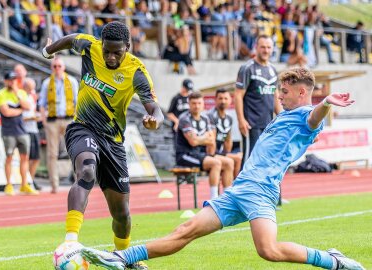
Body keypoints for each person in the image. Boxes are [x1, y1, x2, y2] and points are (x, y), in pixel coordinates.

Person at [80, 67, 365, 270]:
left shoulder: (306, 116)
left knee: (269, 250)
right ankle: (123, 258)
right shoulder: (286, 115)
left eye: (285, 91)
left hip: (260, 191)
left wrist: (325, 103)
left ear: (303, 92)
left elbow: (315, 118)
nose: (279, 95)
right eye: (280, 90)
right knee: (186, 229)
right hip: (239, 188)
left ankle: (333, 261)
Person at [41, 21, 164, 270]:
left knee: (122, 213)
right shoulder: (90, 46)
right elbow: (70, 38)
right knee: (86, 171)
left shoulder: (136, 71)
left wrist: (155, 120)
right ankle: (70, 242)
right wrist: (49, 51)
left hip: (113, 141)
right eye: (107, 50)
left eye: (117, 52)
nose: (110, 57)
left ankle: (123, 257)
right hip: (82, 128)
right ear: (101, 44)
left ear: (127, 47)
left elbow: (154, 108)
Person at [235, 34, 282, 170]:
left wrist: (280, 119)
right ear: (256, 47)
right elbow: (238, 96)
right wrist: (241, 120)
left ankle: (266, 192)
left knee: (267, 163)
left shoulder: (273, 70)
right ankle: (243, 191)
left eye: (268, 47)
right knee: (249, 163)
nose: (266, 50)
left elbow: (275, 96)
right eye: (262, 47)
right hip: (251, 124)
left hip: (268, 125)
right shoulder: (247, 68)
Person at [175, 92, 233, 199]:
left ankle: (228, 198)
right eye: (194, 103)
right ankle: (214, 200)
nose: (196, 106)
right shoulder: (184, 118)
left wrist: (200, 139)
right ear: (189, 104)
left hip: (200, 153)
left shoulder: (206, 118)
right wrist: (204, 138)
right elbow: (193, 142)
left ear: (203, 104)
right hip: (185, 155)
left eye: (199, 103)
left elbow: (211, 140)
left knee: (229, 162)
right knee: (215, 163)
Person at [38, 57, 79, 194]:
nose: (57, 68)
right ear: (52, 68)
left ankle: (78, 181)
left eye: (59, 66)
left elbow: (77, 101)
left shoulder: (71, 81)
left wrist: (77, 120)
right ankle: (54, 184)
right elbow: (42, 103)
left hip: (68, 120)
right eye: (54, 66)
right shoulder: (46, 83)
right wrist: (43, 119)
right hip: (52, 121)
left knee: (73, 150)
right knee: (52, 153)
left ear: (64, 67)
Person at [0, 71, 38, 196]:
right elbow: (6, 112)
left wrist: (17, 96)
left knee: (24, 158)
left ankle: (24, 184)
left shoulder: (21, 93)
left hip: (22, 131)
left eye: (14, 79)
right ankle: (9, 184)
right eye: (10, 79)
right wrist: (20, 110)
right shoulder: (1, 94)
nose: (12, 82)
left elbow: (28, 106)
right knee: (9, 158)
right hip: (8, 131)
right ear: (5, 81)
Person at [207, 88, 242, 177]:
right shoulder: (210, 116)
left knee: (240, 156)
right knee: (236, 158)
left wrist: (227, 153)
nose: (223, 101)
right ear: (215, 100)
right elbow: (211, 140)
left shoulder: (229, 118)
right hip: (209, 152)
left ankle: (234, 186)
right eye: (220, 98)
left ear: (230, 100)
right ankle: (234, 187)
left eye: (226, 98)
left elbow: (228, 139)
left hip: (221, 151)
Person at [22, 77, 42, 191]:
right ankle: (27, 181)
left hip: (34, 129)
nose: (31, 90)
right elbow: (21, 115)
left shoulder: (31, 96)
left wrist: (37, 115)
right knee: (27, 158)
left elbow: (32, 111)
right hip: (26, 130)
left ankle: (31, 180)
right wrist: (32, 117)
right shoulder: (21, 96)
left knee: (36, 158)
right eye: (29, 88)